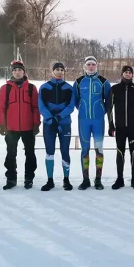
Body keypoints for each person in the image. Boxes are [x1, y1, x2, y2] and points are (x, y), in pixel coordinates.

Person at [0, 60, 40, 190]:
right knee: (11, 154)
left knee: (30, 154)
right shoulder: (5, 88)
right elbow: (1, 108)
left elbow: (35, 107)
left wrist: (36, 124)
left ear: (24, 72)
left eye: (20, 70)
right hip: (11, 128)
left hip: (28, 128)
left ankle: (29, 178)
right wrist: (2, 125)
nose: (17, 72)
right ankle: (11, 178)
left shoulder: (31, 88)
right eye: (15, 70)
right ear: (12, 72)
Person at [73, 56, 111, 190]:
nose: (91, 67)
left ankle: (98, 179)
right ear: (85, 66)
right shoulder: (78, 82)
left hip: (98, 121)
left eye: (93, 65)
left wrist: (101, 112)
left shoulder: (103, 82)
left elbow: (109, 101)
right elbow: (76, 100)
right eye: (88, 64)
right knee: (85, 150)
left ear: (96, 66)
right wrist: (83, 110)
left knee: (99, 149)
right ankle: (85, 179)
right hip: (83, 121)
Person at [38, 62, 76, 191]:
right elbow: (41, 106)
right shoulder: (44, 87)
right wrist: (50, 118)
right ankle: (50, 180)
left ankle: (66, 180)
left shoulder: (69, 88)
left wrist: (59, 117)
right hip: (49, 124)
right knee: (50, 151)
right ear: (52, 71)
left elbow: (71, 106)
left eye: (61, 70)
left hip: (64, 123)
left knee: (65, 150)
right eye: (57, 69)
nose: (59, 71)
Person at [108, 65, 134, 190]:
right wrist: (111, 125)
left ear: (132, 74)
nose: (128, 74)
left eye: (130, 72)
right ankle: (120, 179)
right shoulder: (115, 89)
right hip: (119, 127)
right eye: (126, 72)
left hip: (133, 127)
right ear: (122, 74)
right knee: (120, 152)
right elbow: (109, 109)